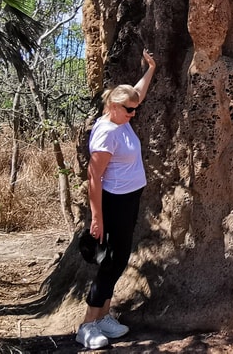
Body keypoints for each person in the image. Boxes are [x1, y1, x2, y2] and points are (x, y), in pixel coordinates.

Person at [76, 49, 156, 350]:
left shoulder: (122, 120)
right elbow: (93, 177)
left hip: (129, 198)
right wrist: (97, 218)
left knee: (120, 258)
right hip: (114, 202)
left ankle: (104, 317)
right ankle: (87, 325)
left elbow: (138, 92)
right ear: (113, 105)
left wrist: (151, 68)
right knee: (111, 261)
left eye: (135, 109)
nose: (134, 113)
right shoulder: (107, 132)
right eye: (129, 110)